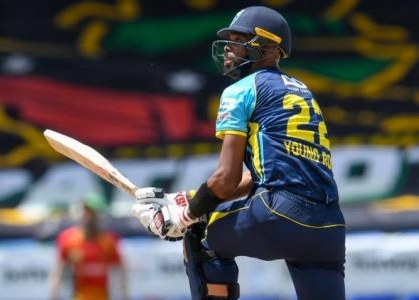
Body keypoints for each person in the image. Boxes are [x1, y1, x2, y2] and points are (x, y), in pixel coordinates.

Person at [133, 5, 346, 300]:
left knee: (199, 234)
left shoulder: (242, 89)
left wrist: (185, 216)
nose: (229, 49)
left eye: (238, 40)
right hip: (329, 229)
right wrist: (194, 198)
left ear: (268, 47)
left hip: (277, 217)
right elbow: (267, 174)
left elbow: (226, 180)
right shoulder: (302, 90)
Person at [48, 193, 128, 300]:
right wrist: (53, 295)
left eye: (92, 214)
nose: (88, 218)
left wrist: (124, 296)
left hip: (102, 296)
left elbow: (120, 272)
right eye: (86, 213)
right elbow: (58, 272)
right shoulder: (69, 239)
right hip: (79, 296)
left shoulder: (109, 240)